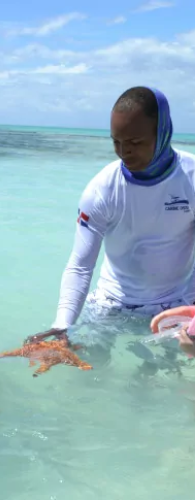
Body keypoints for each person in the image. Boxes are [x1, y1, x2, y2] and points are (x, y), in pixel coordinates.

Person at [32, 86, 195, 342]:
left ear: (163, 132)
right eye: (116, 142)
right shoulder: (102, 189)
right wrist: (62, 325)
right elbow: (81, 265)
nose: (123, 151)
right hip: (111, 304)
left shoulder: (191, 178)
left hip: (177, 305)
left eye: (134, 142)